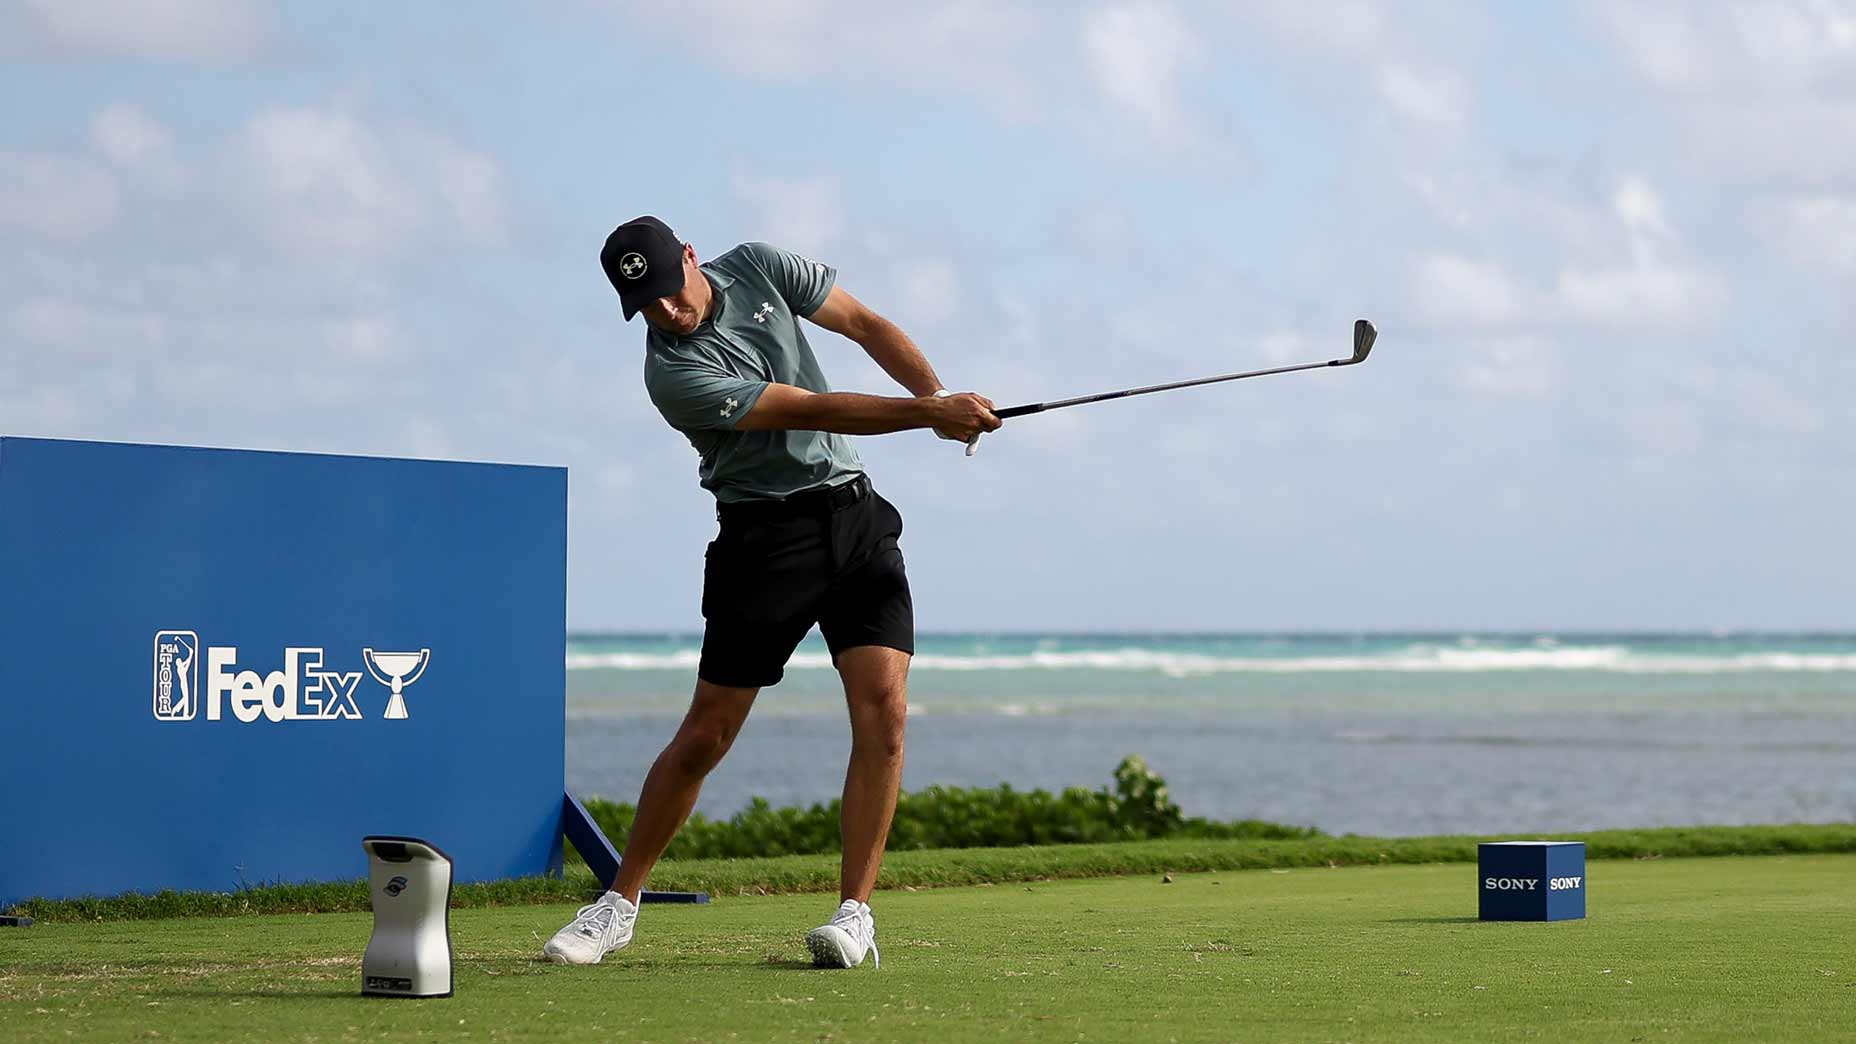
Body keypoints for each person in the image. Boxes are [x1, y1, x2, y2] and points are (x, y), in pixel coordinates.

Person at [544, 215, 1000, 969]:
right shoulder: (673, 374)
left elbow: (864, 324)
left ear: (691, 257)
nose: (664, 311)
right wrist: (928, 416)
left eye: (666, 290)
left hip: (855, 520)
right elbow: (807, 407)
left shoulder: (759, 266)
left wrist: (942, 399)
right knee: (707, 734)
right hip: (763, 543)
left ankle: (856, 915)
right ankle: (618, 905)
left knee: (884, 711)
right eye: (644, 306)